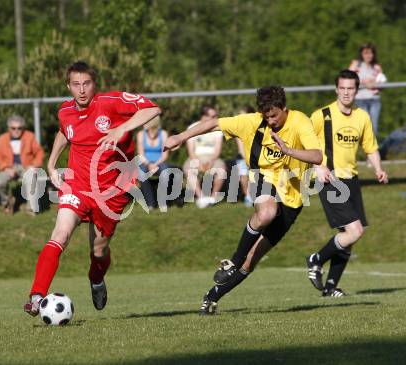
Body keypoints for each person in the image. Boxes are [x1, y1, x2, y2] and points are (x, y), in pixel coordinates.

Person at [164, 86, 322, 314]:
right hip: (262, 178)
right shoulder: (252, 122)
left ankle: (211, 297)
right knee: (267, 212)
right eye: (266, 116)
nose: (270, 121)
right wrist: (180, 136)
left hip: (292, 197)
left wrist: (288, 151)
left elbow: (316, 155)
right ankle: (232, 262)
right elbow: (214, 123)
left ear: (284, 108)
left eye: (274, 116)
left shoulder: (300, 122)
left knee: (252, 260)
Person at [24, 61, 161, 316]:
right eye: (76, 84)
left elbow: (152, 109)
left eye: (86, 83)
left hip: (112, 189)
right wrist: (52, 164)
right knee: (60, 234)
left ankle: (96, 278)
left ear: (94, 84)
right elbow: (65, 132)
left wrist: (122, 127)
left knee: (98, 250)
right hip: (77, 184)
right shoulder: (65, 111)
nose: (82, 89)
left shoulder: (111, 102)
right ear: (68, 86)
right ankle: (36, 296)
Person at [306, 69, 388, 297]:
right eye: (341, 88)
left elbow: (370, 147)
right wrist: (317, 167)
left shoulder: (362, 117)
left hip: (351, 180)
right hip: (330, 179)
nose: (345, 93)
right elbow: (304, 144)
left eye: (350, 88)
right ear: (336, 89)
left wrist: (379, 168)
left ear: (357, 90)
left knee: (348, 237)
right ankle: (316, 259)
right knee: (355, 230)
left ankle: (330, 287)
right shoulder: (322, 115)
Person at [0, 115, 45, 214]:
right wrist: (5, 168)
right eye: (13, 128)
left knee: (32, 178)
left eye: (19, 128)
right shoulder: (2, 139)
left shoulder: (30, 136)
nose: (16, 130)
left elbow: (39, 152)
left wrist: (34, 166)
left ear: (23, 128)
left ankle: (31, 208)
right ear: (9, 128)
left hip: (27, 166)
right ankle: (7, 202)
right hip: (9, 167)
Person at [183, 105, 226, 209]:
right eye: (213, 116)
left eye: (216, 116)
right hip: (196, 157)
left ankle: (212, 198)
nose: (216, 118)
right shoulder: (192, 128)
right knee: (188, 169)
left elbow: (217, 150)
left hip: (212, 157)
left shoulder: (218, 129)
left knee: (222, 169)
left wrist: (211, 161)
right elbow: (191, 151)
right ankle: (201, 197)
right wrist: (197, 162)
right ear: (204, 116)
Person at [349, 43, 386, 135]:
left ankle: (373, 149)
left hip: (374, 100)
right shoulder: (356, 64)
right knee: (364, 126)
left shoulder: (376, 67)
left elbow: (382, 84)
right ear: (361, 54)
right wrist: (364, 83)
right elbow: (347, 79)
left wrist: (375, 83)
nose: (368, 55)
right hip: (360, 100)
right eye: (366, 53)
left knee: (374, 127)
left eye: (370, 53)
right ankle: (363, 148)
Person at [136, 115, 169, 210]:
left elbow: (165, 155)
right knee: (141, 174)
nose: (143, 124)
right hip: (145, 162)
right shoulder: (141, 134)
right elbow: (140, 153)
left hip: (160, 161)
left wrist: (155, 164)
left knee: (165, 173)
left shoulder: (163, 134)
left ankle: (162, 201)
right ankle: (150, 203)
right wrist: (149, 164)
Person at [235, 105, 255, 207]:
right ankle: (248, 197)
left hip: (256, 156)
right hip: (243, 157)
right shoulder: (238, 130)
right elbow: (241, 148)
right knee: (243, 176)